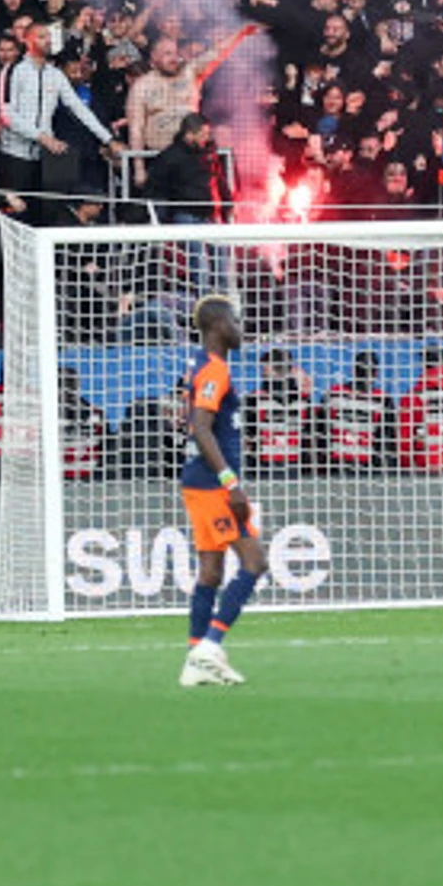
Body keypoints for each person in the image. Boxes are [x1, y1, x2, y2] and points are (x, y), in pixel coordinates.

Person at [176, 292, 264, 687]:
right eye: (235, 321)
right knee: (254, 563)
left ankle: (196, 660)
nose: (239, 329)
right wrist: (232, 483)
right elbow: (201, 426)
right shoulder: (214, 370)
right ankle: (210, 645)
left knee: (211, 571)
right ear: (217, 327)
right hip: (213, 483)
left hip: (197, 480)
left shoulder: (199, 365)